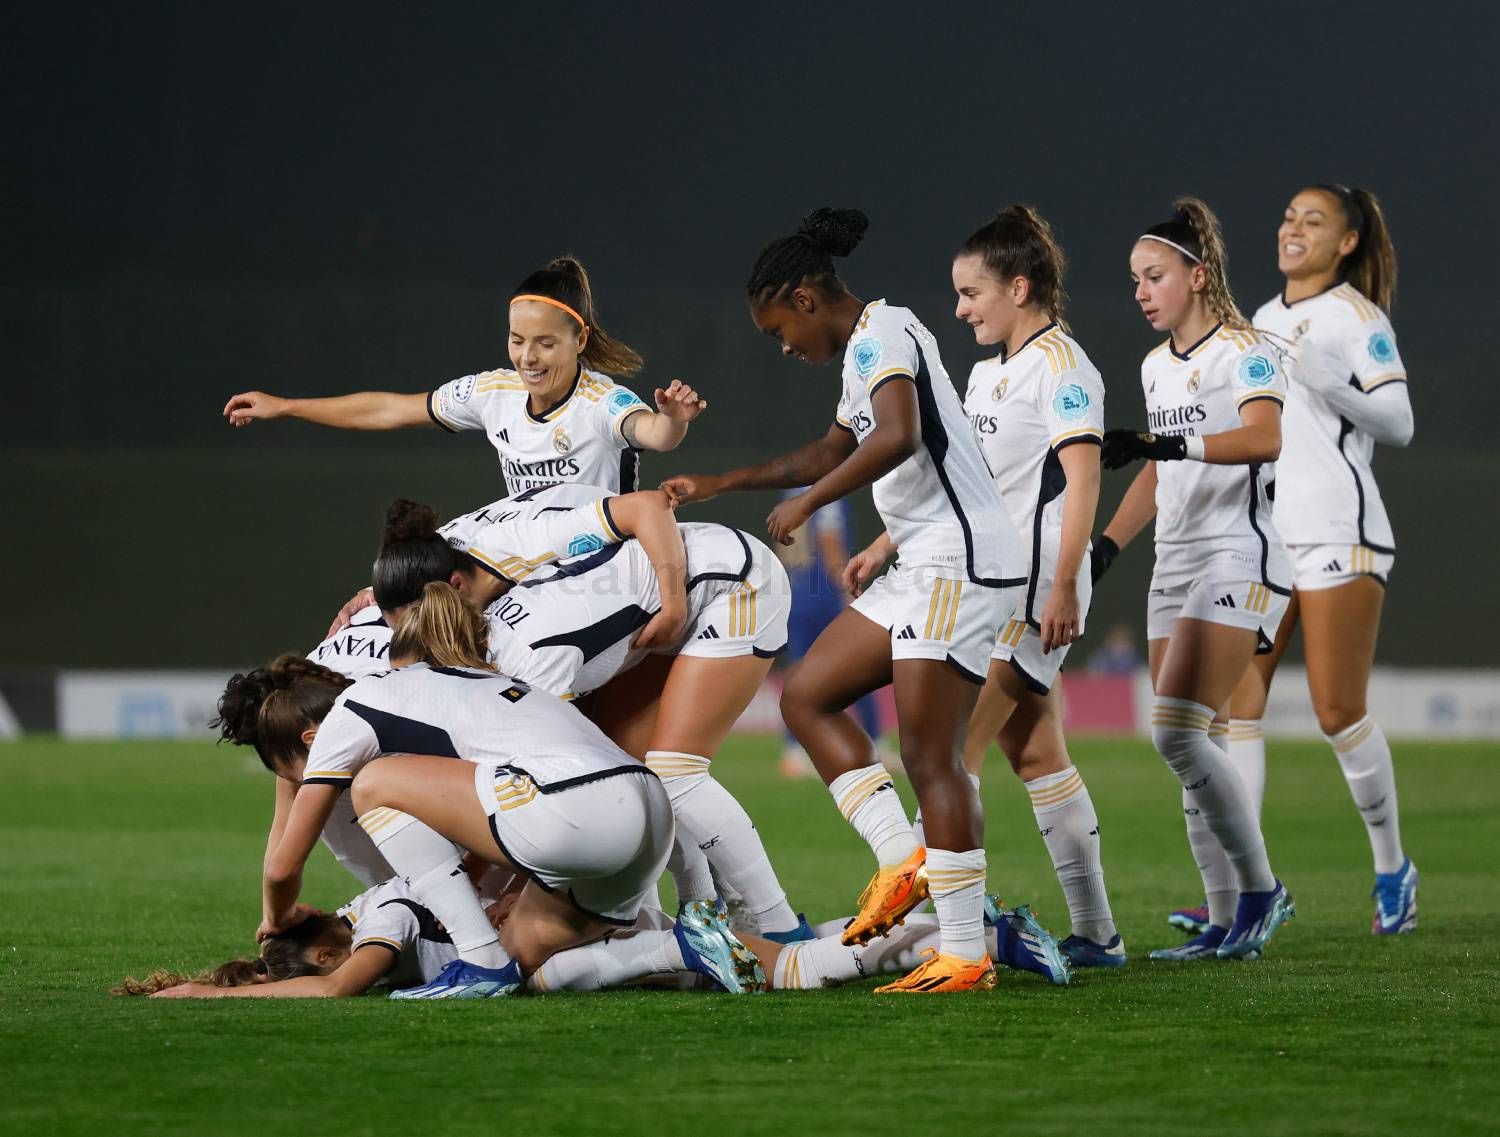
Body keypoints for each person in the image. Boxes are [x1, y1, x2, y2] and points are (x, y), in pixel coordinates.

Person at [663, 208, 1029, 994]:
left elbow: (894, 435)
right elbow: (835, 445)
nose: (784, 346)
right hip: (924, 566)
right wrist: (726, 483)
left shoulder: (885, 331)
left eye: (777, 330)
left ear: (802, 297)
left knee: (932, 756)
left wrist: (807, 504)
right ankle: (905, 861)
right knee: (807, 696)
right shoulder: (865, 349)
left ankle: (966, 951)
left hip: (956, 566)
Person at [372, 491, 811, 943]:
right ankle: (702, 908)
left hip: (732, 581)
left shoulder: (527, 655)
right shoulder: (460, 583)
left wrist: (523, 892)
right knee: (640, 769)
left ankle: (780, 927)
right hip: (662, 590)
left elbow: (564, 788)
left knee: (676, 774)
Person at [240, 585, 693, 998]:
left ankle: (481, 962)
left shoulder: (357, 708)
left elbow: (282, 869)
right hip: (648, 810)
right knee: (525, 961)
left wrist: (278, 920)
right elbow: (494, 801)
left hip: (576, 811)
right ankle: (688, 948)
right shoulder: (485, 687)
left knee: (374, 783)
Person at [1093, 197, 1295, 962]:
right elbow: (1156, 466)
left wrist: (1170, 444)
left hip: (1236, 554)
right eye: (1136, 279)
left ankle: (1261, 890)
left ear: (1198, 274)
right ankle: (1222, 920)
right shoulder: (1155, 365)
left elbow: (1265, 436)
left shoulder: (1246, 350)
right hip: (1173, 562)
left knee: (1175, 731)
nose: (1142, 291)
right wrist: (1107, 546)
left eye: (1155, 276)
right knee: (1191, 743)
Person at [1214, 184, 1416, 936]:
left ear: (1348, 243)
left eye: (1314, 221)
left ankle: (1393, 869)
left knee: (1337, 710)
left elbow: (1399, 419)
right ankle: (1249, 889)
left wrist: (1326, 378)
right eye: (1289, 216)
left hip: (1339, 530)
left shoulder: (1357, 320)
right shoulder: (1263, 319)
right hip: (1270, 535)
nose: (1293, 228)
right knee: (1241, 704)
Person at [948, 204, 1123, 968]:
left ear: (1019, 288)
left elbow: (1082, 478)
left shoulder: (1065, 368)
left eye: (971, 293)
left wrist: (1064, 586)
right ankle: (1099, 936)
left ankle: (957, 933)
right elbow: (969, 479)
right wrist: (889, 539)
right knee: (1036, 754)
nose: (960, 309)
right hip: (994, 582)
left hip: (1033, 588)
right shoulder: (987, 373)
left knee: (954, 752)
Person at [222, 256, 706, 493]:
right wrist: (286, 406)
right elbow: (389, 410)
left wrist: (675, 419)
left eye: (545, 343)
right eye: (517, 341)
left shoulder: (601, 402)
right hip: (526, 568)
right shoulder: (492, 392)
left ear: (579, 341)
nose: (528, 357)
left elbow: (654, 434)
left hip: (599, 573)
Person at [772, 491, 887, 779]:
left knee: (797, 673)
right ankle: (876, 742)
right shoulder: (828, 496)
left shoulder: (790, 494)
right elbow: (829, 537)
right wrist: (845, 586)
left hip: (795, 592)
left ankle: (794, 752)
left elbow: (781, 545)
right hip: (823, 596)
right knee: (858, 668)